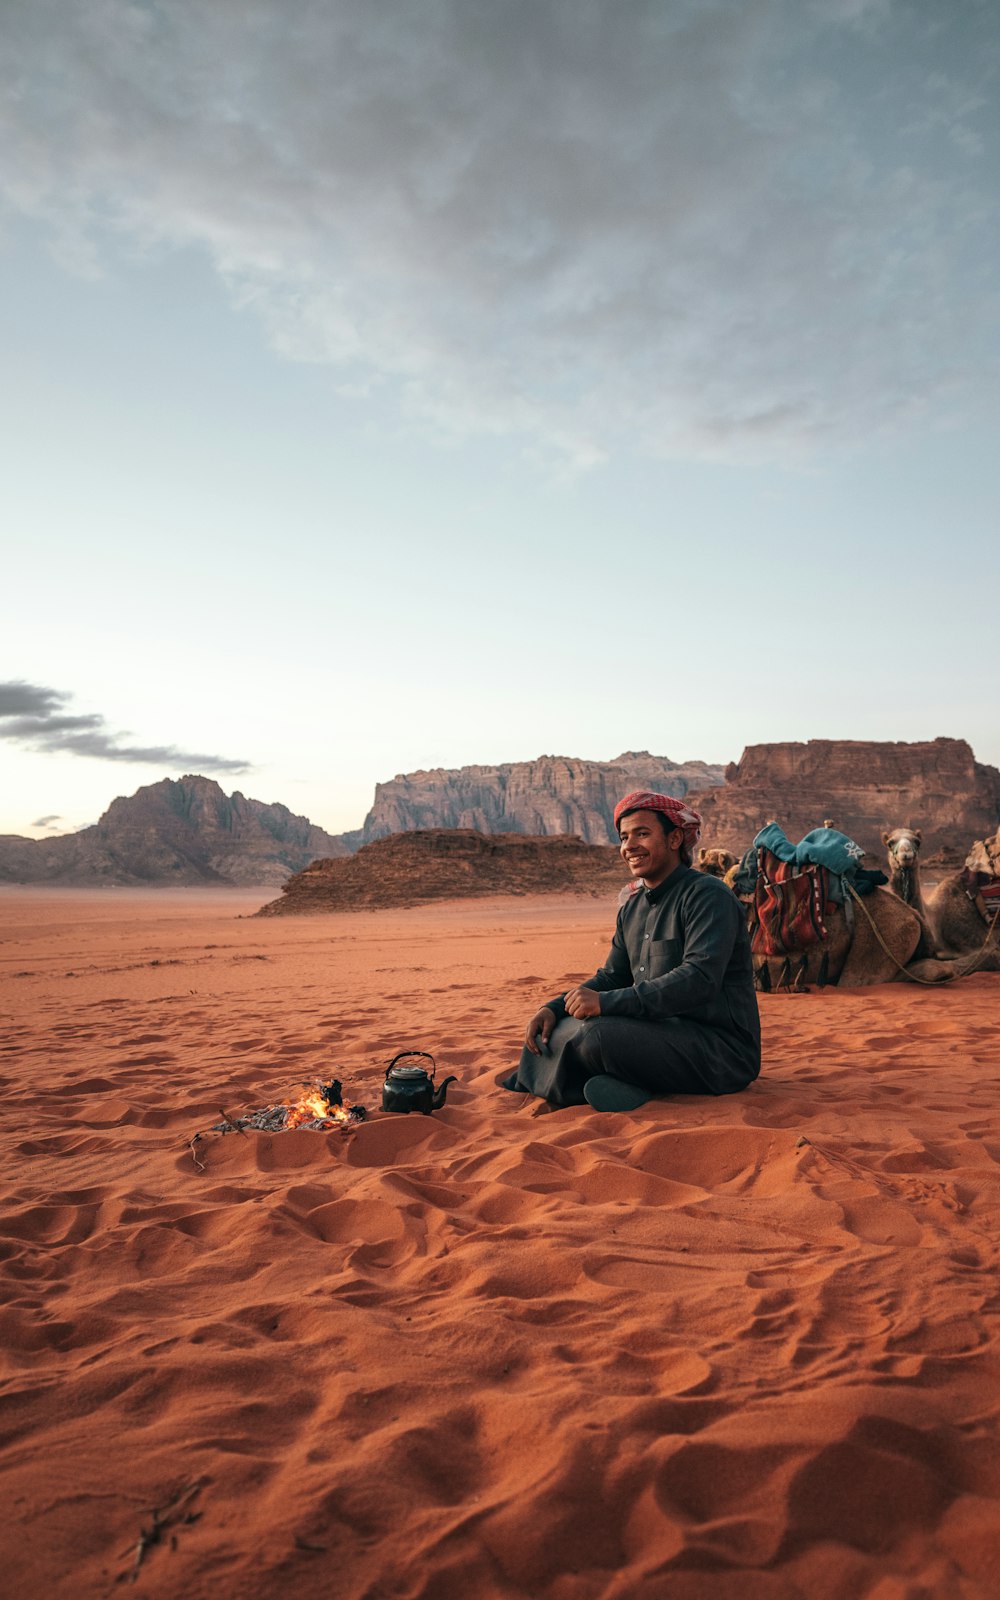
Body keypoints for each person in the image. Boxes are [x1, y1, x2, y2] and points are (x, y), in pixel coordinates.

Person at [500, 790, 761, 1111]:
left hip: (719, 1050)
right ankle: (614, 1085)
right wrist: (553, 1008)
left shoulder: (708, 896)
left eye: (642, 833)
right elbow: (612, 976)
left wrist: (605, 1004)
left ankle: (583, 1086)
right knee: (558, 1029)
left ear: (676, 838)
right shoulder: (631, 909)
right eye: (624, 837)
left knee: (595, 1037)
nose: (629, 846)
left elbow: (699, 979)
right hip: (657, 1033)